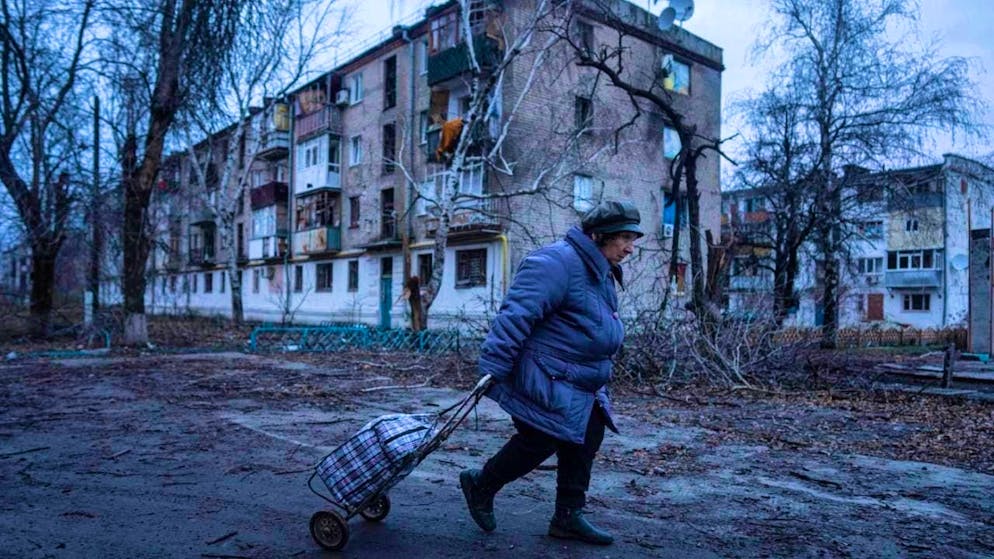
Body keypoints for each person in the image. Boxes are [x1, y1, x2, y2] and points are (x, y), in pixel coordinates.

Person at [459, 200, 644, 546]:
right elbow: (516, 315)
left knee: (588, 433)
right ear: (598, 235)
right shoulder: (556, 262)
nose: (630, 248)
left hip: (578, 378)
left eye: (632, 239)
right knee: (541, 438)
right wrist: (494, 367)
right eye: (624, 238)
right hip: (545, 374)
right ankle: (480, 484)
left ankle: (567, 516)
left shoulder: (598, 268)